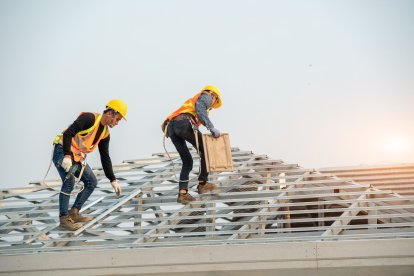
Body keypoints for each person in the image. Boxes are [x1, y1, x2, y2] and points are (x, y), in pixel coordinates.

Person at [52, 99, 127, 230]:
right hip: (62, 153)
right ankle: (63, 219)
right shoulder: (89, 118)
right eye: (118, 119)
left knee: (91, 181)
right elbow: (68, 133)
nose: (117, 123)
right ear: (110, 113)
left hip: (75, 159)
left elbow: (105, 157)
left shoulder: (105, 134)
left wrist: (112, 179)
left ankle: (74, 212)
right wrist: (67, 155)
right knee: (69, 181)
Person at [163, 85, 222, 204]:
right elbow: (200, 109)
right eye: (214, 103)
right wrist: (211, 128)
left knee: (187, 161)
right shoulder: (207, 96)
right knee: (206, 151)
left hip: (172, 128)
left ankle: (183, 194)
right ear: (214, 95)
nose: (212, 105)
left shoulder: (193, 101)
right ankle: (203, 183)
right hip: (184, 124)